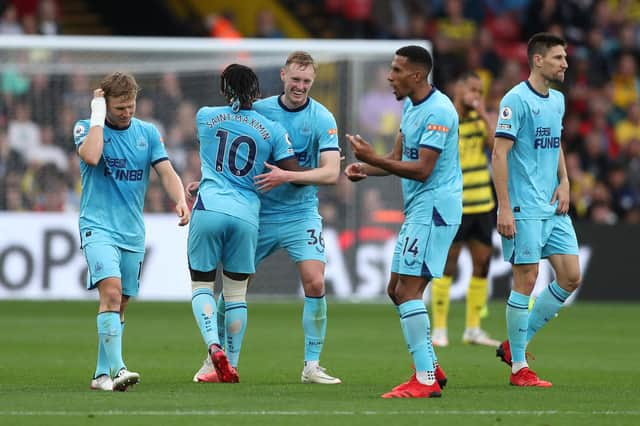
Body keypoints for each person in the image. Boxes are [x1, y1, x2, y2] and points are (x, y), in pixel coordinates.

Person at [193, 51, 342, 385]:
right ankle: (214, 359)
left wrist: (286, 177)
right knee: (237, 286)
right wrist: (206, 180)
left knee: (315, 281)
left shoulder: (323, 118)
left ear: (312, 82)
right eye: (295, 80)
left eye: (306, 81)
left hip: (300, 212)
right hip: (258, 210)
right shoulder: (260, 110)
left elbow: (332, 173)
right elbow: (233, 154)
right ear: (283, 76)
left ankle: (312, 365)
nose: (300, 86)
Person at [344, 45, 461, 398]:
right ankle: (429, 363)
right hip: (419, 209)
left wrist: (370, 156)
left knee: (409, 291)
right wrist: (365, 167)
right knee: (396, 290)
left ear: (416, 75)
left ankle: (424, 379)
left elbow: (423, 169)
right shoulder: (411, 107)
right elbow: (397, 159)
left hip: (435, 207)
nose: (389, 76)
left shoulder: (439, 111)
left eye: (396, 70)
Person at [74, 72, 190, 391]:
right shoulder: (86, 128)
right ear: (105, 104)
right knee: (110, 293)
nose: (127, 112)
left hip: (132, 231)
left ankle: (100, 375)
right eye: (120, 107)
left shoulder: (148, 133)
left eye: (131, 105)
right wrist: (98, 114)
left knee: (121, 302)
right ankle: (119, 368)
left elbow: (166, 171)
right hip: (97, 226)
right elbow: (92, 155)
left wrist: (179, 198)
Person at [187, 63, 300, 383]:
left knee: (202, 286)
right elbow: (293, 174)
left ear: (225, 91)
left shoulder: (205, 115)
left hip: (209, 208)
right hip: (247, 215)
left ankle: (213, 348)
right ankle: (231, 363)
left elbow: (217, 157)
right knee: (236, 294)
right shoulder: (273, 131)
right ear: (257, 92)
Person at [492, 33, 581, 387]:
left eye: (565, 57)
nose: (565, 63)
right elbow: (499, 154)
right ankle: (519, 369)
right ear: (538, 60)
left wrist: (565, 181)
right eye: (559, 57)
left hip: (552, 204)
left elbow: (556, 143)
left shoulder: (557, 100)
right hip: (523, 205)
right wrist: (504, 208)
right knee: (526, 280)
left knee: (570, 276)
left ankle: (516, 344)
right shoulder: (515, 100)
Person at [430, 71, 500, 348]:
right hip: (455, 204)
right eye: (472, 90)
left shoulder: (481, 120)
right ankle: (439, 329)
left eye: (480, 92)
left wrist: (483, 112)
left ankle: (473, 328)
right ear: (458, 89)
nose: (476, 96)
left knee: (482, 264)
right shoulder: (446, 118)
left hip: (482, 203)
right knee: (448, 265)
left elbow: (498, 147)